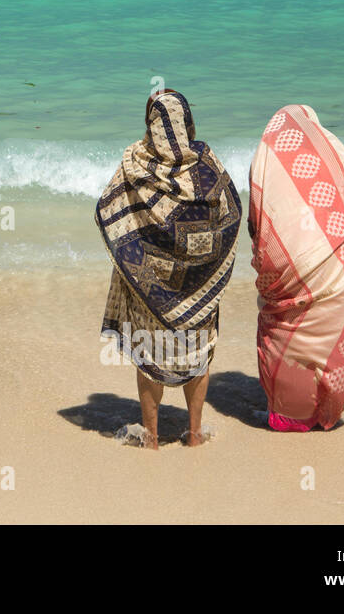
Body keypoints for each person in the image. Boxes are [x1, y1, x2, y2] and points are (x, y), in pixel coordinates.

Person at [95, 90, 241, 448]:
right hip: (200, 283)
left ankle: (152, 437)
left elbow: (112, 210)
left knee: (149, 358)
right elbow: (231, 215)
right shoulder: (208, 166)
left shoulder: (136, 164)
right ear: (187, 122)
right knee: (197, 353)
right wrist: (203, 261)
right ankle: (193, 434)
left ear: (152, 125)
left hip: (151, 289)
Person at [249, 105, 344, 431]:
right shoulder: (333, 154)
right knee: (330, 334)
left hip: (296, 271)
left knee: (283, 332)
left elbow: (259, 221)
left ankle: (290, 412)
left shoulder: (266, 163)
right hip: (339, 266)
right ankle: (325, 406)